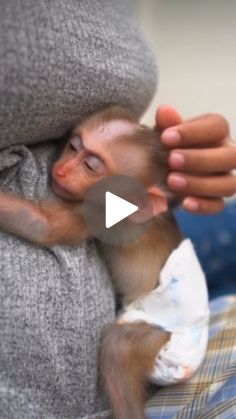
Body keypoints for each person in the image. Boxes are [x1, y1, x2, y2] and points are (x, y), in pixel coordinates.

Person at [0, 1, 235, 418]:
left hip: (169, 328)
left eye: (91, 164)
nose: (63, 167)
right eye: (73, 145)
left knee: (117, 346)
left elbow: (40, 223)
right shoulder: (122, 200)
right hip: (166, 265)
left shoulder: (113, 206)